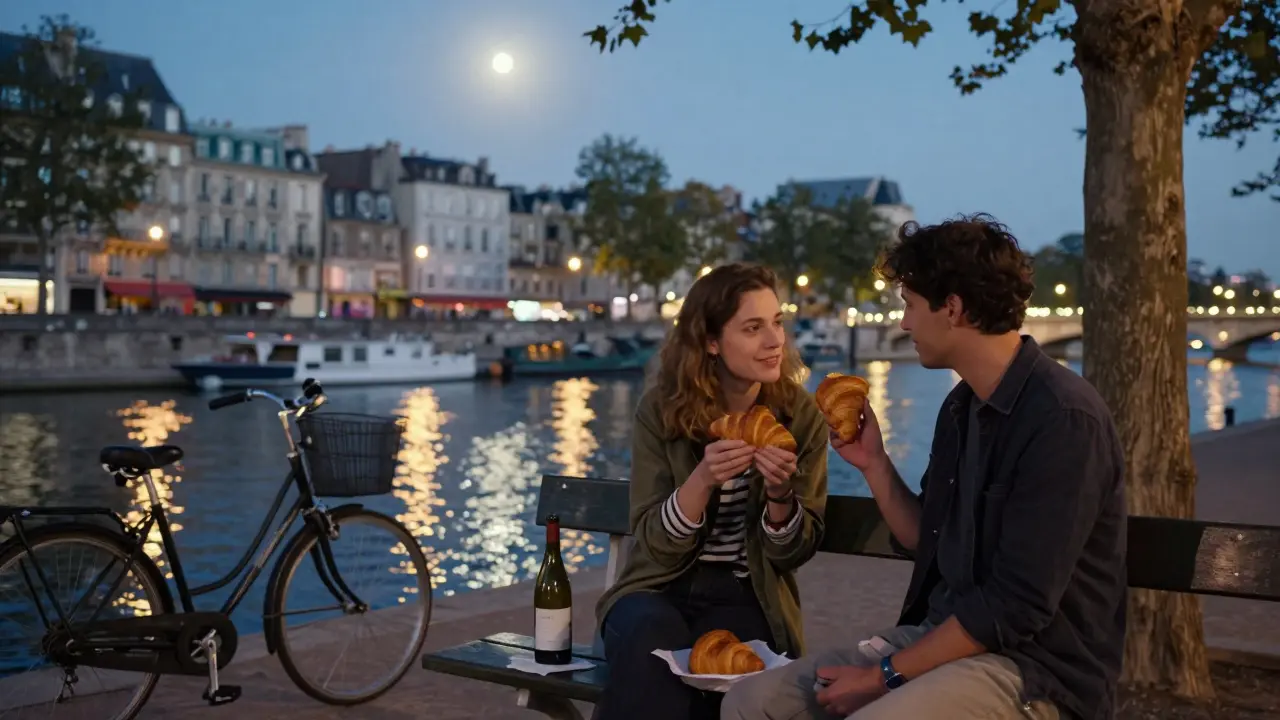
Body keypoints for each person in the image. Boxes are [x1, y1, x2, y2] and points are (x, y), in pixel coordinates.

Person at [722, 215, 1128, 719]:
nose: (904, 324)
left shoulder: (1063, 420)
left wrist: (883, 676)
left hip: (1036, 671)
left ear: (952, 309)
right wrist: (874, 464)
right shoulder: (961, 409)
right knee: (749, 703)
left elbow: (1015, 606)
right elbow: (926, 540)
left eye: (910, 306)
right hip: (943, 639)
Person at [594, 262, 831, 720]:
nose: (774, 341)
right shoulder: (661, 411)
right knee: (649, 644)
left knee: (736, 677)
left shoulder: (799, 417)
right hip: (658, 588)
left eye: (777, 323)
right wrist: (701, 481)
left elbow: (792, 554)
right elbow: (653, 546)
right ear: (711, 341)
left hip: (748, 594)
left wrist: (781, 496)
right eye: (753, 328)